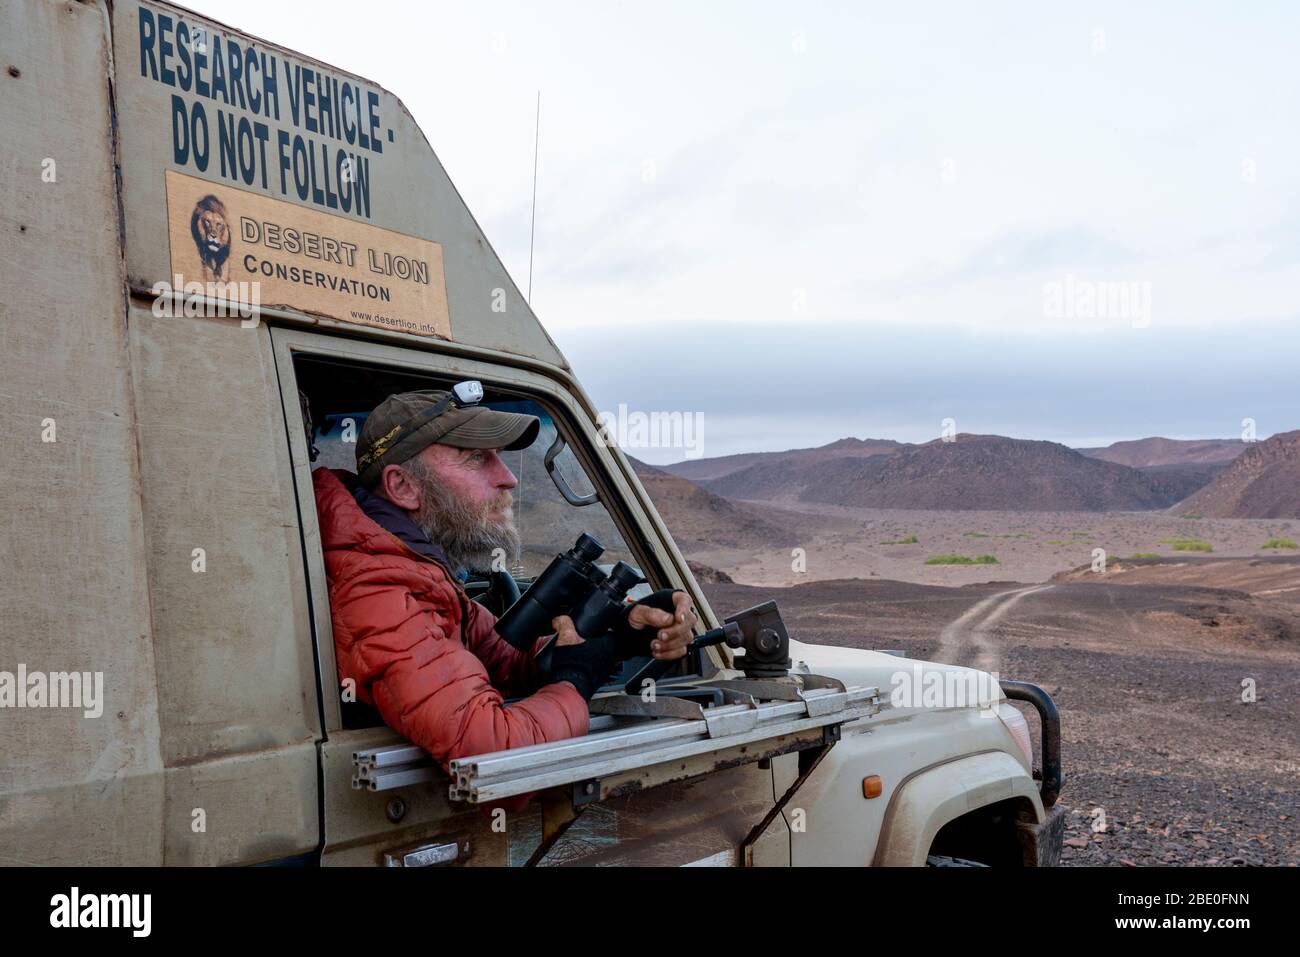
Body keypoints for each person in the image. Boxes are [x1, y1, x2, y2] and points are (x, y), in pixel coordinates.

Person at [311, 385, 697, 774]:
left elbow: (503, 660)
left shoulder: (410, 567)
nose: (509, 477)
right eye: (476, 459)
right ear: (403, 487)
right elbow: (491, 752)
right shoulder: (375, 589)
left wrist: (619, 634)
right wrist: (575, 681)